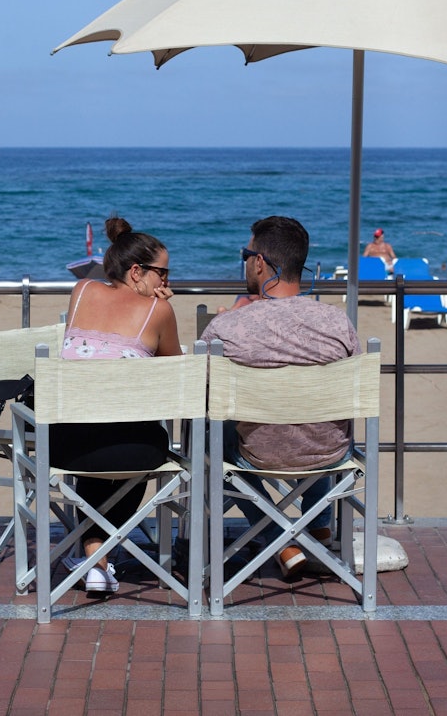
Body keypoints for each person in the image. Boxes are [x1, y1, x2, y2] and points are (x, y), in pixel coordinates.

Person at [200, 216, 360, 579]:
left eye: (246, 253)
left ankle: (279, 540)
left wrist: (238, 318)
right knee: (319, 415)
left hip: (260, 455)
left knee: (215, 436)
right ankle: (317, 527)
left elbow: (202, 389)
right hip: (330, 455)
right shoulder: (338, 324)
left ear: (260, 262)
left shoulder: (227, 328)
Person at [53, 215, 181, 594]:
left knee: (95, 437)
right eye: (163, 274)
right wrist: (163, 312)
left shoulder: (81, 291)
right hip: (132, 453)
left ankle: (94, 556)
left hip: (64, 447)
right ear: (138, 271)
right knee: (144, 447)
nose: (167, 283)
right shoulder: (158, 311)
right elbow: (174, 373)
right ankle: (99, 557)